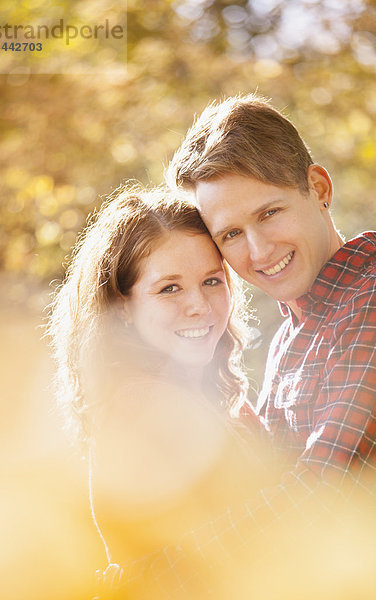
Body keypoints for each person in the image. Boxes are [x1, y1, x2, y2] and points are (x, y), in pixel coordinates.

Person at [108, 95, 376, 596]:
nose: (257, 251)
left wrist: (141, 582)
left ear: (318, 189)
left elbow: (322, 492)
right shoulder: (291, 338)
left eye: (269, 213)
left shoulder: (371, 298)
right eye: (231, 233)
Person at [47, 184, 273, 598]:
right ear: (123, 307)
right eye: (169, 288)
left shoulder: (199, 397)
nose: (199, 306)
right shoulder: (143, 407)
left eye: (211, 281)